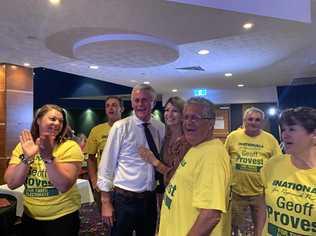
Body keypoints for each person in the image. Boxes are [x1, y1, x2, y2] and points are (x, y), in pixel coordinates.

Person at [4, 104, 83, 236]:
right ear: (38, 121)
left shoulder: (70, 147)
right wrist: (27, 158)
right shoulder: (24, 146)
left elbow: (63, 185)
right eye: (52, 119)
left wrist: (48, 158)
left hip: (62, 219)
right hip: (30, 217)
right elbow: (12, 183)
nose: (57, 123)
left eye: (61, 121)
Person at [97, 84, 165, 236]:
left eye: (145, 100)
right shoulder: (120, 127)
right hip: (123, 200)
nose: (140, 104)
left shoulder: (160, 127)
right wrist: (105, 202)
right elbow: (106, 165)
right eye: (136, 100)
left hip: (149, 199)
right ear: (132, 103)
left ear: (153, 103)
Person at [159, 97, 231, 236]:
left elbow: (210, 216)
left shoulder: (212, 156)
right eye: (185, 117)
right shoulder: (197, 148)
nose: (188, 122)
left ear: (211, 123)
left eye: (195, 118)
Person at [257, 107, 316, 236]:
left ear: (314, 134)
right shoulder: (272, 165)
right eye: (283, 129)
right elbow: (263, 205)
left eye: (292, 129)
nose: (284, 135)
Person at [224, 107, 282, 235]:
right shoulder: (233, 137)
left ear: (262, 122)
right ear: (244, 120)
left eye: (257, 120)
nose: (253, 122)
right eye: (250, 119)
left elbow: (278, 163)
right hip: (236, 192)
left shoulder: (270, 139)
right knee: (234, 228)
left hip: (260, 193)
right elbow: (223, 159)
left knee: (260, 229)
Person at [138, 96, 191, 185]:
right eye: (167, 110)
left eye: (174, 111)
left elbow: (178, 175)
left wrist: (154, 161)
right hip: (166, 191)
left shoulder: (187, 142)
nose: (169, 114)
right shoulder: (166, 137)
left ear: (183, 115)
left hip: (181, 192)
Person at [84, 96, 124, 208]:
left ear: (121, 109)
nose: (111, 108)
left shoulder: (129, 128)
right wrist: (93, 180)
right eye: (108, 106)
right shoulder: (96, 130)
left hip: (125, 185)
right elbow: (91, 158)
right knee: (106, 220)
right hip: (103, 184)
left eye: (114, 105)